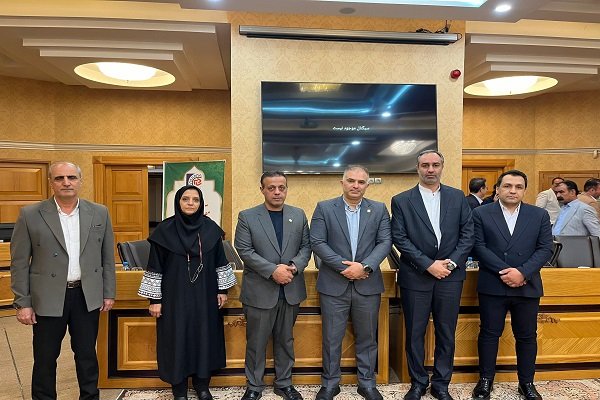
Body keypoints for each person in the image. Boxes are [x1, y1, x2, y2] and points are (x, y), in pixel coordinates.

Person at [10, 161, 116, 400]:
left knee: (87, 356)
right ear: (51, 182)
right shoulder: (30, 214)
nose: (66, 182)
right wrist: (23, 302)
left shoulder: (99, 212)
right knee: (45, 358)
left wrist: (108, 292)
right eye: (59, 178)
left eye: (71, 177)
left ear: (80, 181)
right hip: (47, 298)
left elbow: (107, 257)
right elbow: (19, 263)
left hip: (86, 297)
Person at [138, 185, 236, 400]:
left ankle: (202, 386)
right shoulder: (164, 231)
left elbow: (220, 261)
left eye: (195, 200)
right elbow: (155, 266)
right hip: (173, 297)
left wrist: (222, 290)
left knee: (204, 338)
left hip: (205, 296)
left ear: (201, 204)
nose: (191, 203)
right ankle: (179, 389)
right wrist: (155, 299)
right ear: (178, 202)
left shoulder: (211, 229)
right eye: (185, 199)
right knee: (177, 339)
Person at [390, 150, 473, 400]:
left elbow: (468, 234)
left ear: (442, 167)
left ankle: (441, 384)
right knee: (415, 332)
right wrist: (428, 265)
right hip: (416, 276)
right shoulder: (401, 200)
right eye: (425, 165)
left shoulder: (458, 197)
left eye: (435, 165)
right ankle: (417, 383)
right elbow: (400, 238)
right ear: (417, 168)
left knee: (446, 332)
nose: (430, 169)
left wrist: (451, 264)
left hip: (450, 276)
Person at [311, 165, 391, 400]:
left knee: (368, 337)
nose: (356, 185)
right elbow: (317, 242)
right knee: (331, 338)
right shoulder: (325, 208)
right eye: (351, 180)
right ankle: (330, 384)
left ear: (367, 185)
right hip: (333, 284)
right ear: (342, 182)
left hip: (368, 283)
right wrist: (345, 267)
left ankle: (367, 384)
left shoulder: (379, 209)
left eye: (361, 182)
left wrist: (364, 266)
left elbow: (385, 242)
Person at [471, 170, 553, 400]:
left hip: (527, 284)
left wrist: (522, 273)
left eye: (518, 187)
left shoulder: (538, 215)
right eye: (507, 186)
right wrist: (507, 272)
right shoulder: (480, 213)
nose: (513, 191)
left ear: (525, 190)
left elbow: (545, 248)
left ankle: (526, 383)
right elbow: (478, 246)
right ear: (497, 189)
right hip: (493, 283)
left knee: (527, 336)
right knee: (489, 334)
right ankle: (485, 381)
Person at [234, 171, 311, 400]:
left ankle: (284, 384)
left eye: (281, 188)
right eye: (271, 188)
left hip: (291, 289)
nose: (277, 192)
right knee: (256, 342)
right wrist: (273, 271)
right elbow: (244, 250)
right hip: (260, 290)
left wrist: (293, 267)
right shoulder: (247, 216)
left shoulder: (298, 215)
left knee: (286, 340)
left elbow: (306, 247)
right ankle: (254, 386)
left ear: (286, 189)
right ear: (262, 190)